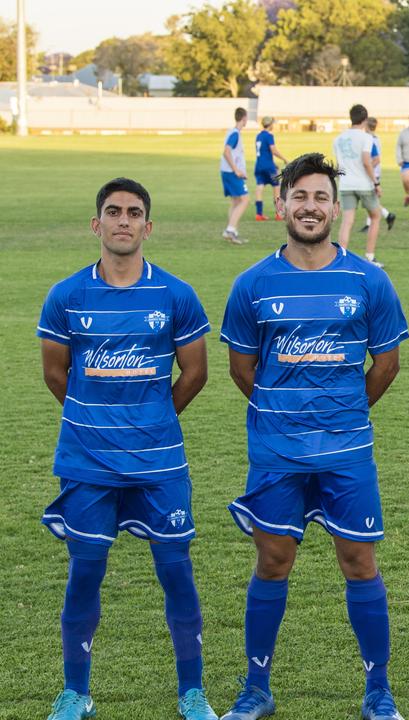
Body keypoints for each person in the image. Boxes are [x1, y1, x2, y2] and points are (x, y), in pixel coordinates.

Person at [218, 153, 409, 720]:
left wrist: (343, 411)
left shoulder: (369, 280)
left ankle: (378, 693)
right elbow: (241, 368)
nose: (309, 206)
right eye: (298, 196)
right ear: (281, 204)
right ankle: (256, 689)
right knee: (272, 562)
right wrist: (286, 414)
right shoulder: (252, 283)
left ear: (335, 205)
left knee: (359, 563)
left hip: (347, 452)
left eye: (320, 197)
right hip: (277, 453)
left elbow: (387, 364)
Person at [37, 178, 217, 720]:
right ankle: (76, 692)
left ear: (147, 226)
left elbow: (196, 372)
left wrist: (152, 419)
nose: (123, 221)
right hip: (88, 463)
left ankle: (192, 693)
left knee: (176, 571)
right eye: (112, 212)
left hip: (159, 462)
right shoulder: (67, 295)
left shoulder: (175, 294)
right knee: (85, 573)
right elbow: (55, 373)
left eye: (133, 213)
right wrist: (98, 421)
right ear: (97, 225)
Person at [332, 104, 384, 267]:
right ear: (365, 119)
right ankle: (369, 256)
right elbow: (366, 162)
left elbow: (339, 164)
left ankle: (341, 258)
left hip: (346, 183)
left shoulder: (338, 139)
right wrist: (376, 182)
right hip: (364, 184)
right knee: (375, 216)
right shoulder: (366, 138)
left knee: (347, 221)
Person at [361, 117, 397, 234]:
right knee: (371, 199)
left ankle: (384, 216)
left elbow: (376, 159)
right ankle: (381, 218)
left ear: (366, 126)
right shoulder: (376, 138)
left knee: (370, 199)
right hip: (374, 171)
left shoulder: (369, 139)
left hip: (371, 172)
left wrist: (367, 169)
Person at [222, 107, 250, 244]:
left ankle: (232, 234)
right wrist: (237, 170)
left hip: (226, 172)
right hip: (232, 173)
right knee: (245, 200)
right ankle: (230, 230)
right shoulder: (235, 134)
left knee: (235, 201)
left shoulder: (232, 132)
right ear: (244, 118)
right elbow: (226, 152)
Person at [254, 116, 288, 222]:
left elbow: (264, 153)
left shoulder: (258, 135)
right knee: (276, 188)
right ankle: (278, 214)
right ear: (270, 124)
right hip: (269, 167)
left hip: (259, 165)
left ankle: (259, 214)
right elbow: (273, 150)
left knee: (259, 187)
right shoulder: (269, 136)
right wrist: (284, 159)